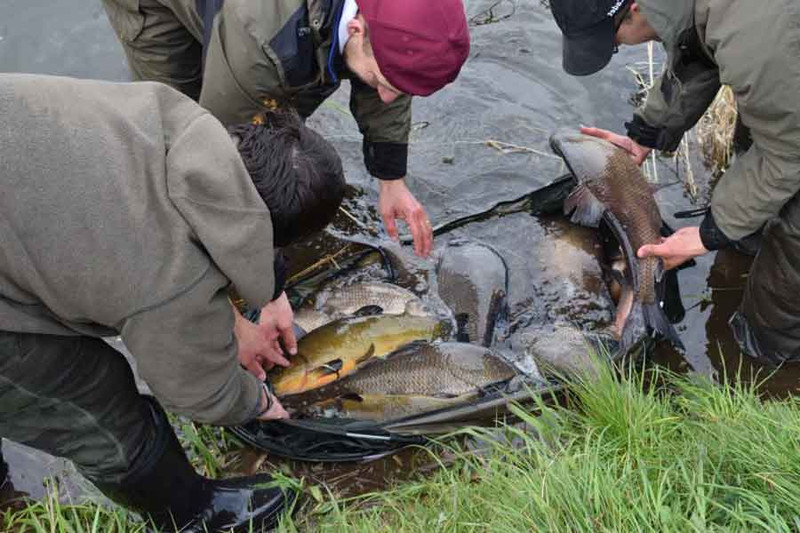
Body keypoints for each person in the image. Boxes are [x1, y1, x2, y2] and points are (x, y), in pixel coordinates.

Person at [0, 73, 346, 531]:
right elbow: (196, 392)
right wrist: (257, 402)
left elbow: (163, 227)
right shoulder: (170, 277)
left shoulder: (164, 113)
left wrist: (234, 314)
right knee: (93, 397)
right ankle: (195, 515)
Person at [100, 0, 471, 258]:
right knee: (177, 133)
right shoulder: (266, 47)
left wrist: (391, 178)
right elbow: (226, 161)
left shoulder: (394, 21)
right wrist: (267, 286)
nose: (388, 97)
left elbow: (394, 69)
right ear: (357, 28)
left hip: (265, 29)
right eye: (382, 81)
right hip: (162, 8)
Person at [548, 0, 800, 363]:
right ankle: (749, 244)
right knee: (759, 172)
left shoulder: (758, 37)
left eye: (614, 41)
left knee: (775, 314)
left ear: (634, 9)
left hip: (790, 118)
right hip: (785, 89)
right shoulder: (700, 11)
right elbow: (697, 53)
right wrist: (647, 132)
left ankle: (770, 372)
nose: (620, 48)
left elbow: (789, 152)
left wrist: (709, 234)